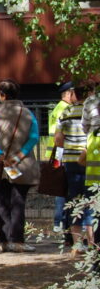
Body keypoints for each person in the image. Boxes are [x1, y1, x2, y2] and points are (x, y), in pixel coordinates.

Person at [0, 80, 40, 253]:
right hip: (21, 165)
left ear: (2, 94)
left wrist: (0, 155)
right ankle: (17, 240)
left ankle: (4, 241)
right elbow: (34, 137)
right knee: (18, 202)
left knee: (1, 202)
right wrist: (18, 156)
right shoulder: (28, 113)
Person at [54, 82, 94, 252]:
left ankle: (76, 244)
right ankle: (93, 243)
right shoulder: (93, 112)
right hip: (91, 160)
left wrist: (69, 147)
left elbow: (58, 139)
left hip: (71, 160)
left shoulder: (66, 112)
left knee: (74, 200)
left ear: (74, 94)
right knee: (92, 200)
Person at [49, 81, 75, 234]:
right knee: (63, 190)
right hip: (62, 153)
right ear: (68, 93)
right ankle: (60, 222)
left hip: (57, 153)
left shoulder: (58, 107)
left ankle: (60, 222)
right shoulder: (65, 109)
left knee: (62, 189)